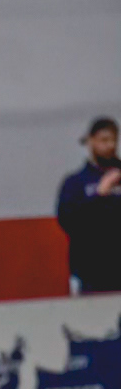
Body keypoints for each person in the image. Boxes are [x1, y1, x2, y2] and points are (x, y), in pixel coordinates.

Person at [56, 115, 121, 295]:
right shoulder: (76, 183)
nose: (110, 146)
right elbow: (68, 221)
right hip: (90, 274)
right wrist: (99, 195)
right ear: (91, 141)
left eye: (114, 140)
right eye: (104, 140)